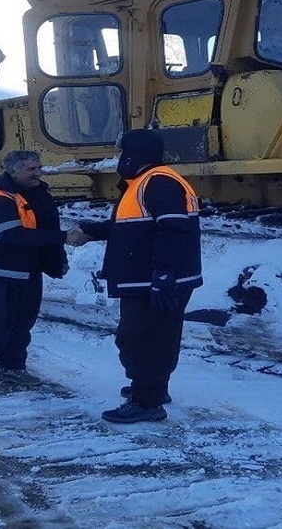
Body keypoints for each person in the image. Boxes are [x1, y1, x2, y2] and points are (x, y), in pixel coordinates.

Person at [67, 129, 202, 423]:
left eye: (122, 153)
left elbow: (173, 230)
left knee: (141, 338)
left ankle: (146, 402)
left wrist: (164, 275)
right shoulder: (144, 182)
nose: (120, 159)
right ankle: (151, 387)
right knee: (155, 336)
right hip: (149, 278)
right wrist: (92, 231)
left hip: (153, 280)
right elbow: (133, 227)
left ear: (134, 154)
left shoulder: (159, 182)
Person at [0, 150, 68, 394]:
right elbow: (13, 235)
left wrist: (56, 260)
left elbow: (48, 228)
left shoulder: (38, 194)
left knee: (22, 324)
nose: (38, 172)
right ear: (12, 171)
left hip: (26, 270)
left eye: (38, 167)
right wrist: (65, 237)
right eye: (31, 169)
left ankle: (12, 368)